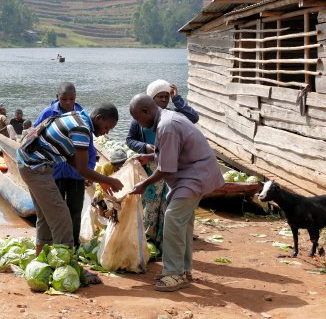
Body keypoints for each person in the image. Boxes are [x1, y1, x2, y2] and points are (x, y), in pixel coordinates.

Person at [17, 104, 123, 284]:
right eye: (106, 127)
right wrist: (110, 180)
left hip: (28, 163)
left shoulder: (76, 117)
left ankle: (40, 259)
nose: (106, 133)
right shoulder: (82, 129)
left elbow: (72, 160)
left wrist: (101, 180)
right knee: (62, 217)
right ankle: (69, 267)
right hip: (36, 168)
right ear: (98, 118)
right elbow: (82, 169)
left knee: (45, 216)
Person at [128, 94, 224, 292]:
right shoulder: (166, 120)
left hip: (195, 176)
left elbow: (166, 169)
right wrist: (149, 156)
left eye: (138, 118)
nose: (139, 123)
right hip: (192, 174)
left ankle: (174, 273)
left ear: (147, 111)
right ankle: (184, 270)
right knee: (184, 223)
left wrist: (144, 184)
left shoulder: (167, 126)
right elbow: (168, 152)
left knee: (172, 219)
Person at [126, 79, 200, 252]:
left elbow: (194, 118)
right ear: (151, 99)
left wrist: (178, 100)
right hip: (150, 167)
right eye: (160, 97)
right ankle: (148, 240)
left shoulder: (172, 117)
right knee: (150, 204)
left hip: (169, 167)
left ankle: (163, 241)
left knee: (167, 204)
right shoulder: (140, 118)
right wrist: (144, 146)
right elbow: (129, 140)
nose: (164, 100)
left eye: (167, 97)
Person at [34, 82, 97, 251]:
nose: (68, 103)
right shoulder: (48, 113)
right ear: (57, 97)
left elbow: (89, 147)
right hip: (55, 171)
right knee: (55, 210)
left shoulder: (82, 116)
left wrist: (89, 171)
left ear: (76, 98)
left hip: (76, 173)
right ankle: (56, 244)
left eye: (71, 99)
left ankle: (73, 244)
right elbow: (35, 135)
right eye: (64, 99)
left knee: (75, 209)